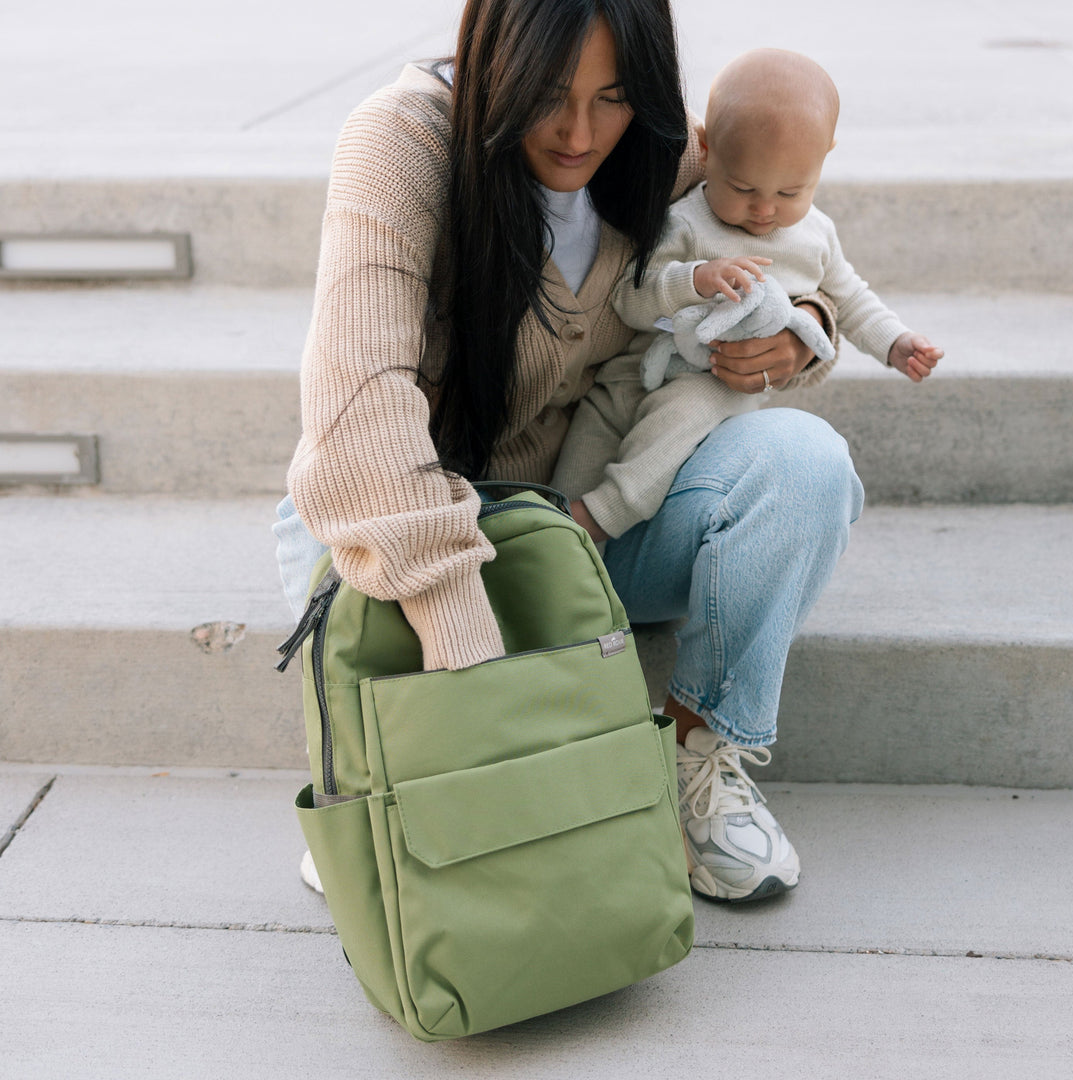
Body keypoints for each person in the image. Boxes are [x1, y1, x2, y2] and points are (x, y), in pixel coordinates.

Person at [274, 1, 865, 904]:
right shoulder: (401, 141)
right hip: (401, 527)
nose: (580, 132)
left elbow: (789, 239)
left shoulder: (662, 154)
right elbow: (360, 409)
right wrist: (470, 662)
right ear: (493, 55)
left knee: (805, 464)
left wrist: (806, 330)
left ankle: (692, 763)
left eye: (615, 95)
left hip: (578, 523)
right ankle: (386, 782)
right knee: (375, 566)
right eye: (549, 93)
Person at [552, 47, 944, 533]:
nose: (763, 210)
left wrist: (896, 342)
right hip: (633, 373)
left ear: (824, 160)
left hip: (717, 379)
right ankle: (554, 540)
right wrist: (693, 279)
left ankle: (603, 513)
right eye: (741, 188)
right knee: (588, 437)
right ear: (707, 148)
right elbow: (629, 300)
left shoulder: (816, 236)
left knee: (685, 415)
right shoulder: (685, 222)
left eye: (789, 193)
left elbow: (851, 298)